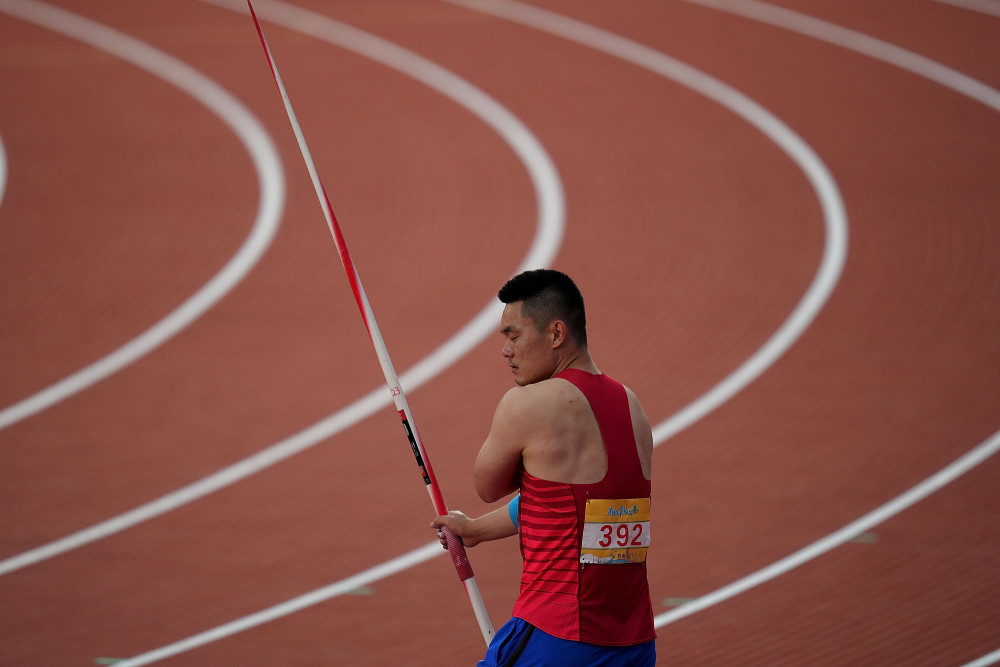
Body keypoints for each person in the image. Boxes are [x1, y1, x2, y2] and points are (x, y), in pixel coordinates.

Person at [432, 269, 656, 666]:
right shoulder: (632, 406)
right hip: (634, 644)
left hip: (556, 636)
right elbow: (578, 507)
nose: (506, 351)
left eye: (513, 336)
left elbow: (486, 485)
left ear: (555, 334)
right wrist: (476, 530)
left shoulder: (526, 405)